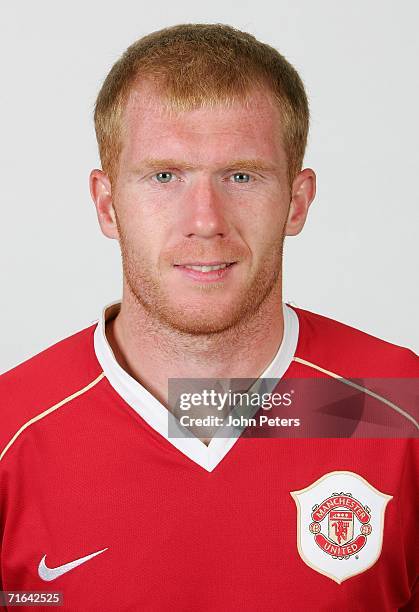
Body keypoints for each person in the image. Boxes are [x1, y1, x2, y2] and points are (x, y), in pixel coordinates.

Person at [0, 23, 417, 611]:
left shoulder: (395, 403)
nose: (205, 220)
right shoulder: (11, 430)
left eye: (241, 176)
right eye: (165, 176)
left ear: (296, 202)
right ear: (106, 203)